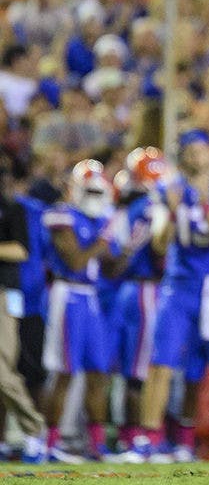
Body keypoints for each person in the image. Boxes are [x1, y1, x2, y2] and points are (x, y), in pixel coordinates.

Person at [125, 130, 209, 463]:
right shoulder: (167, 190)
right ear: (183, 157)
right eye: (190, 152)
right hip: (178, 287)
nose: (196, 158)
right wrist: (170, 211)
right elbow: (158, 244)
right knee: (161, 364)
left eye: (201, 151)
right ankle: (148, 440)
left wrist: (205, 203)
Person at [42, 160, 121, 462]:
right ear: (73, 189)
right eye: (88, 190)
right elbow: (76, 261)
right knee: (65, 373)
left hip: (91, 297)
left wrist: (127, 247)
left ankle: (97, 445)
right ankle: (52, 444)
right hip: (68, 295)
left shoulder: (101, 219)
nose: (94, 198)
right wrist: (103, 240)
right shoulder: (62, 216)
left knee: (98, 372)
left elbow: (112, 268)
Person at [108, 147, 167, 455]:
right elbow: (159, 253)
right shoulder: (148, 206)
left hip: (123, 290)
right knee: (140, 370)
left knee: (129, 368)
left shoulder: (124, 206)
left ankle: (126, 434)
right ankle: (137, 438)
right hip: (144, 290)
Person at [0, 154, 46, 463]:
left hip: (4, 293)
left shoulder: (12, 208)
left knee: (2, 368)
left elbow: (21, 250)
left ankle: (34, 427)